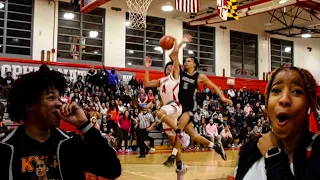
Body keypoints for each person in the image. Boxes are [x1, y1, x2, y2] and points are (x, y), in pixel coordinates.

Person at [0, 64, 121, 180]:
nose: (59, 103)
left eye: (59, 98)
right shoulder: (5, 147)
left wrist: (85, 125)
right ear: (29, 104)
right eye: (51, 97)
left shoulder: (70, 143)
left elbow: (112, 169)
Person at [235, 67, 320, 180]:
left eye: (296, 91)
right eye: (276, 90)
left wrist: (273, 155)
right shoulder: (250, 148)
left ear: (309, 104)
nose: (284, 99)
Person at [164, 34, 233, 166]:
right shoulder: (182, 72)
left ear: (195, 64)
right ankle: (215, 146)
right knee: (194, 135)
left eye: (189, 61)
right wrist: (180, 43)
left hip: (191, 107)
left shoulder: (199, 76)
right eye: (185, 60)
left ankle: (173, 157)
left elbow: (214, 86)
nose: (186, 62)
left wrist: (223, 97)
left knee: (179, 128)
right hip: (181, 107)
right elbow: (172, 56)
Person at [144, 34, 192, 179]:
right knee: (173, 141)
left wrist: (180, 42)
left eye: (172, 66)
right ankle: (180, 167)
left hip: (174, 106)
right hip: (168, 111)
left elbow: (175, 54)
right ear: (165, 69)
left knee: (158, 113)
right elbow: (146, 83)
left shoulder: (175, 76)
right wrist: (147, 68)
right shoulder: (162, 80)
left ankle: (181, 132)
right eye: (169, 66)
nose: (171, 67)